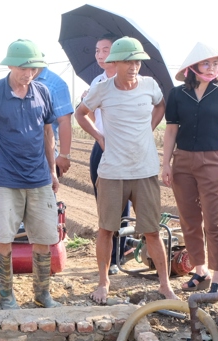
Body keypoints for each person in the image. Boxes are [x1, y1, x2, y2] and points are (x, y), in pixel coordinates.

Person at [75, 36, 174, 304]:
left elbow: (162, 105)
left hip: (144, 170)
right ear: (114, 63)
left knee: (152, 230)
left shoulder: (150, 86)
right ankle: (103, 282)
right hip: (112, 171)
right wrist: (99, 136)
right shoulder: (103, 89)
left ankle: (165, 285)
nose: (134, 66)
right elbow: (80, 113)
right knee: (106, 229)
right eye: (128, 61)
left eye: (138, 61)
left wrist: (149, 129)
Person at [0, 39, 61, 310]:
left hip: (39, 180)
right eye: (23, 68)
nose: (28, 73)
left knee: (44, 239)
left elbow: (48, 133)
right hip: (6, 181)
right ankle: (7, 295)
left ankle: (42, 294)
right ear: (10, 65)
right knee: (3, 239)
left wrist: (53, 170)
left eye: (33, 68)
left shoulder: (42, 92)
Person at [161, 43, 218, 294]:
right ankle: (200, 271)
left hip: (215, 160)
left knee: (215, 220)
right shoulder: (176, 95)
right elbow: (172, 129)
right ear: (193, 67)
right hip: (183, 161)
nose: (211, 67)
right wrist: (166, 163)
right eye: (206, 63)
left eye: (215, 63)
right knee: (189, 219)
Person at [84, 33, 128, 275]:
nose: (101, 55)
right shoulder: (97, 82)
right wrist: (98, 134)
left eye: (106, 50)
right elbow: (88, 115)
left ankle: (119, 255)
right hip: (101, 147)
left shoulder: (133, 82)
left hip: (125, 148)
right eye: (98, 51)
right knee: (104, 202)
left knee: (123, 201)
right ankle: (109, 256)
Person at [34, 66, 73, 176]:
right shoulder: (13, 82)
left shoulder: (56, 84)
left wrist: (64, 155)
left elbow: (65, 121)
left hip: (45, 156)